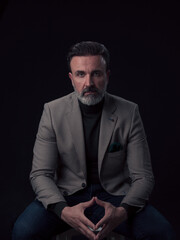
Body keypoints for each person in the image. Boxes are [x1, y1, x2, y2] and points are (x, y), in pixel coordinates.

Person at [12, 41, 176, 240]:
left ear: (107, 76)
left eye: (96, 73)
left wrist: (122, 212)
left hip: (115, 197)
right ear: (71, 79)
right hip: (66, 196)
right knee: (23, 232)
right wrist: (63, 211)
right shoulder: (52, 111)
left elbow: (143, 176)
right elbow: (40, 174)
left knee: (163, 234)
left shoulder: (129, 112)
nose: (88, 83)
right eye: (81, 74)